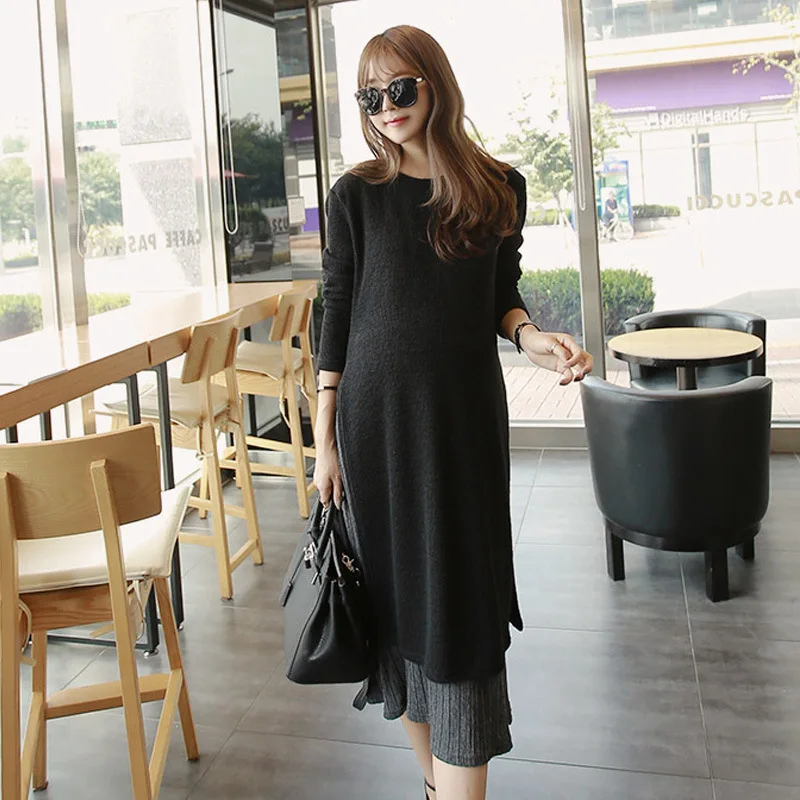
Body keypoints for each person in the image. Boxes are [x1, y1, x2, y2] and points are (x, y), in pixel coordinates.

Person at [313, 25, 593, 800]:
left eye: (400, 87)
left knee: (459, 612)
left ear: (435, 82)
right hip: (373, 430)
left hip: (462, 427)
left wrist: (530, 338)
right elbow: (337, 311)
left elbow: (501, 292)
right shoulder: (356, 195)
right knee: (399, 611)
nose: (387, 106)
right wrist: (324, 439)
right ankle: (437, 787)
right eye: (371, 95)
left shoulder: (498, 185)